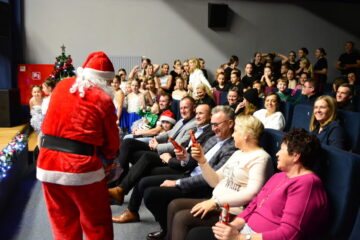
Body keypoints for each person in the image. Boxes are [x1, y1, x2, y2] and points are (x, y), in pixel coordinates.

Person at [187, 128, 329, 240]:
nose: (277, 154)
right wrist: (233, 226)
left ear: (296, 155)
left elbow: (289, 235)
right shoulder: (279, 176)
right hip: (246, 231)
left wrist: (239, 238)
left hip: (255, 237)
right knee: (195, 233)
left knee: (196, 235)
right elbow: (253, 205)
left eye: (282, 150)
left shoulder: (307, 184)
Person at [37, 52, 120, 240]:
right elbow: (112, 144)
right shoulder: (103, 99)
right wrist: (109, 159)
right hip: (81, 168)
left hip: (47, 164)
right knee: (97, 224)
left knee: (62, 221)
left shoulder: (62, 85)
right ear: (105, 80)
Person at [166, 114, 273, 240]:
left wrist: (215, 202)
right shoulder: (238, 153)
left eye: (236, 131)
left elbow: (252, 194)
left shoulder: (261, 158)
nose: (233, 135)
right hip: (217, 202)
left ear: (246, 135)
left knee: (182, 218)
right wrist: (202, 161)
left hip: (233, 211)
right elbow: (215, 181)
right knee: (174, 205)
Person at [142, 106, 238, 239]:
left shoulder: (232, 148)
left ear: (230, 123)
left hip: (202, 187)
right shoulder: (213, 139)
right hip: (189, 175)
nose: (214, 128)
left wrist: (177, 183)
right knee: (145, 183)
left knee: (152, 194)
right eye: (212, 124)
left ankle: (168, 231)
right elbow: (194, 161)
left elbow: (210, 179)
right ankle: (167, 229)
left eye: (217, 125)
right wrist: (184, 157)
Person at [111, 104, 216, 225]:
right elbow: (178, 142)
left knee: (145, 163)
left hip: (181, 166)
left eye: (200, 113)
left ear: (210, 116)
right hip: (177, 158)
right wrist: (157, 139)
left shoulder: (207, 132)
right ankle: (121, 191)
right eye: (197, 113)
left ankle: (122, 192)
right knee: (130, 145)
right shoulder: (197, 126)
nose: (197, 116)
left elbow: (188, 157)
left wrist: (168, 157)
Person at [108, 96, 197, 205]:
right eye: (181, 108)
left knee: (145, 157)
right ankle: (117, 186)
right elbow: (169, 133)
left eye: (186, 108)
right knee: (127, 143)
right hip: (162, 147)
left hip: (170, 156)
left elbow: (178, 146)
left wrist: (157, 146)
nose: (183, 110)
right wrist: (156, 139)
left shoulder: (194, 124)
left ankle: (119, 189)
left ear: (194, 108)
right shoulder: (182, 120)